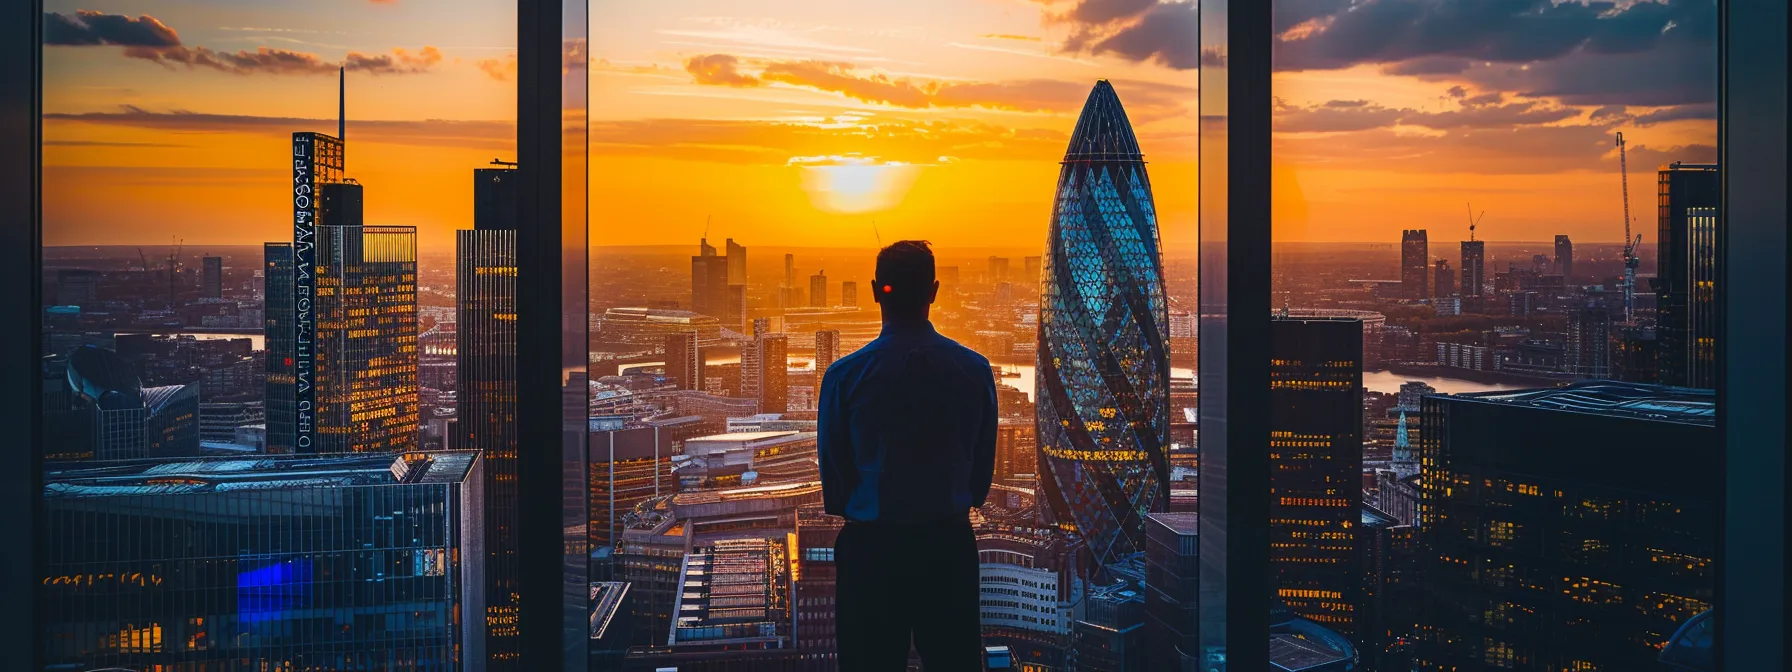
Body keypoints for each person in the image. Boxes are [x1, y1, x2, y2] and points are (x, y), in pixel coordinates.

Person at [819, 240, 997, 672]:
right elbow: (981, 480)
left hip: (871, 554)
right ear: (934, 291)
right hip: (947, 549)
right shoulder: (974, 371)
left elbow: (836, 486)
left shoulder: (843, 377)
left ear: (876, 289)